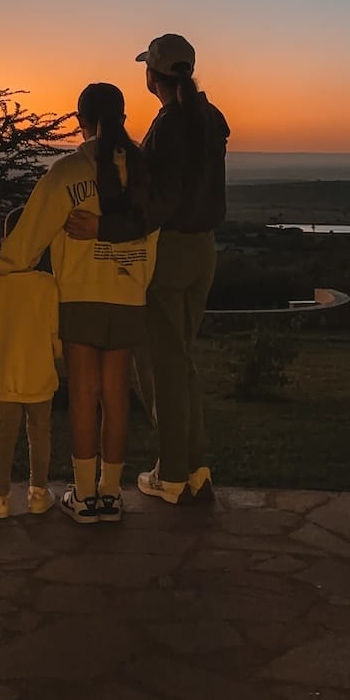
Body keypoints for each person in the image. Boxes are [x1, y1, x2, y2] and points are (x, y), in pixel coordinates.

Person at [0, 83, 157, 524]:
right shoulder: (144, 171)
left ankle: (83, 494)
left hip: (80, 294)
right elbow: (153, 236)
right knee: (116, 395)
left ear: (80, 120)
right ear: (123, 116)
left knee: (85, 394)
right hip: (129, 294)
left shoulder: (65, 172)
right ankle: (109, 494)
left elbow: (29, 237)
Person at [67, 33, 230, 505]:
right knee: (181, 359)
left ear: (150, 75)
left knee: (160, 364)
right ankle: (195, 466)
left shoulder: (171, 125)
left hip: (170, 252)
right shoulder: (209, 117)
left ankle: (173, 474)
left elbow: (159, 203)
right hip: (204, 252)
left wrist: (104, 228)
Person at [0, 206, 60, 519]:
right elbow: (56, 334)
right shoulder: (48, 286)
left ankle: (0, 497)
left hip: (3, 375)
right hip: (38, 374)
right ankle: (38, 492)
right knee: (40, 433)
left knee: (3, 435)